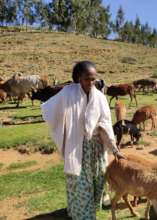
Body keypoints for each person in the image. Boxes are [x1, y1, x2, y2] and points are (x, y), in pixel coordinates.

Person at [41, 61, 124, 219]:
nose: (91, 83)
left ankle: (82, 211)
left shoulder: (99, 97)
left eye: (94, 79)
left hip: (97, 149)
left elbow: (105, 125)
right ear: (78, 77)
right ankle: (84, 216)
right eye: (87, 79)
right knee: (79, 184)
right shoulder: (68, 93)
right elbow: (49, 110)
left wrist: (114, 150)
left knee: (97, 182)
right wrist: (62, 125)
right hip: (76, 147)